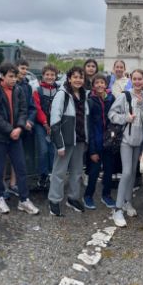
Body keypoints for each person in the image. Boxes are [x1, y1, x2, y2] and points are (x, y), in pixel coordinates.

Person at [0, 62, 39, 215]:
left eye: (15, 76)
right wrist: (11, 130)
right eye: (10, 76)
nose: (14, 79)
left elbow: (24, 110)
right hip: (0, 136)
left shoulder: (19, 90)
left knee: (21, 168)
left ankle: (24, 200)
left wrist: (19, 127)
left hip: (16, 135)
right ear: (2, 76)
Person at [108, 70, 143, 227]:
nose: (138, 81)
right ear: (131, 80)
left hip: (139, 141)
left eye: (141, 79)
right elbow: (111, 113)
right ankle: (117, 209)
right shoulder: (124, 95)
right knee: (126, 172)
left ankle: (128, 202)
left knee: (133, 173)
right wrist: (124, 118)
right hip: (126, 139)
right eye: (135, 79)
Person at [48, 66, 88, 216]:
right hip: (66, 140)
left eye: (81, 77)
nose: (78, 80)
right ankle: (54, 200)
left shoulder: (84, 95)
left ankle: (73, 198)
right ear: (69, 78)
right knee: (59, 171)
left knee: (77, 172)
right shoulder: (62, 95)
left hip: (80, 139)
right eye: (75, 77)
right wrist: (59, 144)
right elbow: (55, 120)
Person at [83, 73, 115, 210]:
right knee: (94, 172)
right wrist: (92, 150)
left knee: (108, 171)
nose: (100, 85)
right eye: (97, 83)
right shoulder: (90, 101)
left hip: (108, 142)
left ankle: (106, 195)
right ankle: (88, 196)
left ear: (106, 84)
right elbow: (89, 127)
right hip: (95, 142)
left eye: (102, 82)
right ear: (93, 85)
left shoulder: (111, 99)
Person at [6, 58, 37, 197]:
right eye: (22, 68)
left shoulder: (27, 86)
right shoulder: (6, 85)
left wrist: (29, 121)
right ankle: (1, 186)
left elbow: (31, 107)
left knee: (18, 158)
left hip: (22, 127)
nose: (24, 71)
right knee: (4, 158)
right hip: (8, 127)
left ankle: (13, 184)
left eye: (26, 68)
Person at [32, 64, 59, 190]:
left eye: (52, 75)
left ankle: (52, 174)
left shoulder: (59, 90)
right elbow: (37, 108)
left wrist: (54, 123)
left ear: (56, 76)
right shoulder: (38, 90)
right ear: (43, 76)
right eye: (47, 74)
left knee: (53, 150)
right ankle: (42, 175)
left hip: (55, 124)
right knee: (43, 150)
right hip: (41, 124)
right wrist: (44, 123)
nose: (50, 77)